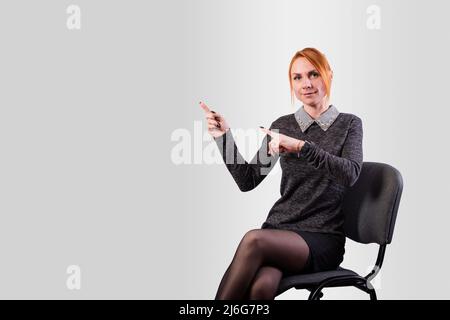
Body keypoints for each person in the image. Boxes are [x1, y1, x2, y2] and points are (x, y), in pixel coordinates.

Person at [199, 47, 363, 300]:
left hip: (322, 239)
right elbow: (248, 180)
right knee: (261, 288)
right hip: (279, 232)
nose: (306, 84)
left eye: (313, 74)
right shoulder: (284, 125)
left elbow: (350, 174)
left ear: (329, 74)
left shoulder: (349, 124)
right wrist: (224, 138)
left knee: (254, 241)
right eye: (297, 77)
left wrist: (302, 147)